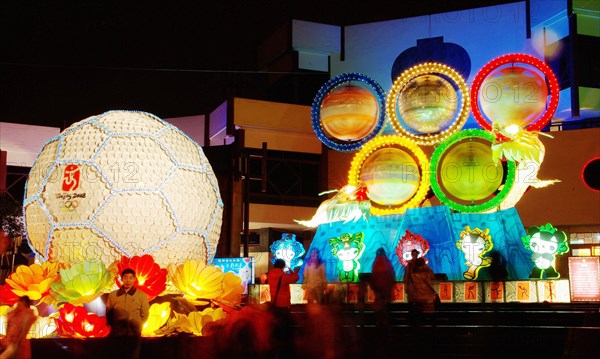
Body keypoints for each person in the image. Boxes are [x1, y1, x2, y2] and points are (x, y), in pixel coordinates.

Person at [267, 258, 299, 359]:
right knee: (284, 324)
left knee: (275, 323)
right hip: (283, 304)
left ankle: (275, 340)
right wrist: (289, 269)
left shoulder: (270, 275)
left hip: (274, 303)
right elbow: (296, 277)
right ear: (283, 266)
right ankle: (284, 343)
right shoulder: (284, 276)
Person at [106, 268, 149, 336]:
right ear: (122, 279)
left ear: (134, 279)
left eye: (131, 278)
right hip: (117, 332)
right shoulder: (113, 295)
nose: (128, 280)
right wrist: (113, 325)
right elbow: (108, 312)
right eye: (125, 277)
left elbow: (145, 313)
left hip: (134, 332)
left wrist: (138, 325)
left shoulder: (141, 295)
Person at [404, 249, 437, 324]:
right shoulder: (426, 270)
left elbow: (406, 277)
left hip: (417, 294)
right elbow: (432, 278)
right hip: (426, 296)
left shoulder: (413, 271)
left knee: (415, 309)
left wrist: (407, 286)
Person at [370, 247, 395, 327]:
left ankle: (378, 322)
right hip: (386, 289)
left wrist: (373, 286)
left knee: (379, 307)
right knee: (386, 307)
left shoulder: (375, 263)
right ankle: (386, 322)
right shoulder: (388, 262)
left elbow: (373, 276)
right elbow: (391, 275)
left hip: (378, 289)